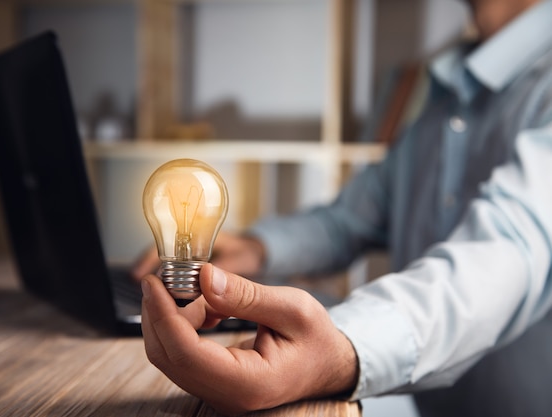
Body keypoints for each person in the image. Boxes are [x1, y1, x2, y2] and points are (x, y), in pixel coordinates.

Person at [134, 0, 552, 415]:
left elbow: (506, 254)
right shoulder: (443, 95)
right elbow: (348, 221)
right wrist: (256, 248)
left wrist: (341, 346)